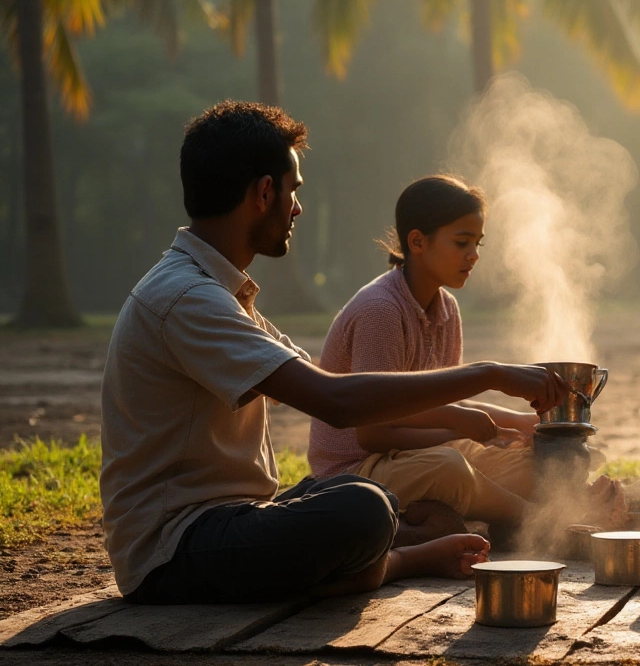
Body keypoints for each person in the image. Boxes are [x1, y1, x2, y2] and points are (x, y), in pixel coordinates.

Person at [100, 101, 570, 604]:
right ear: (264, 193)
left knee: (378, 499)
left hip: (235, 520)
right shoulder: (188, 299)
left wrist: (494, 418)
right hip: (174, 548)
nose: (297, 208)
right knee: (362, 510)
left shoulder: (220, 292)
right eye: (293, 191)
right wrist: (488, 374)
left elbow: (332, 383)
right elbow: (338, 402)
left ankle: (404, 538)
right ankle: (403, 556)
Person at [307, 175, 625, 540]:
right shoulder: (380, 311)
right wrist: (460, 429)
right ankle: (546, 524)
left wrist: (526, 425)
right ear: (417, 242)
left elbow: (446, 399)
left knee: (551, 464)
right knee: (452, 470)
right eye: (461, 242)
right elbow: (373, 432)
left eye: (477, 243)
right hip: (358, 469)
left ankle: (491, 515)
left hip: (417, 453)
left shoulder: (447, 310)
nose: (473, 254)